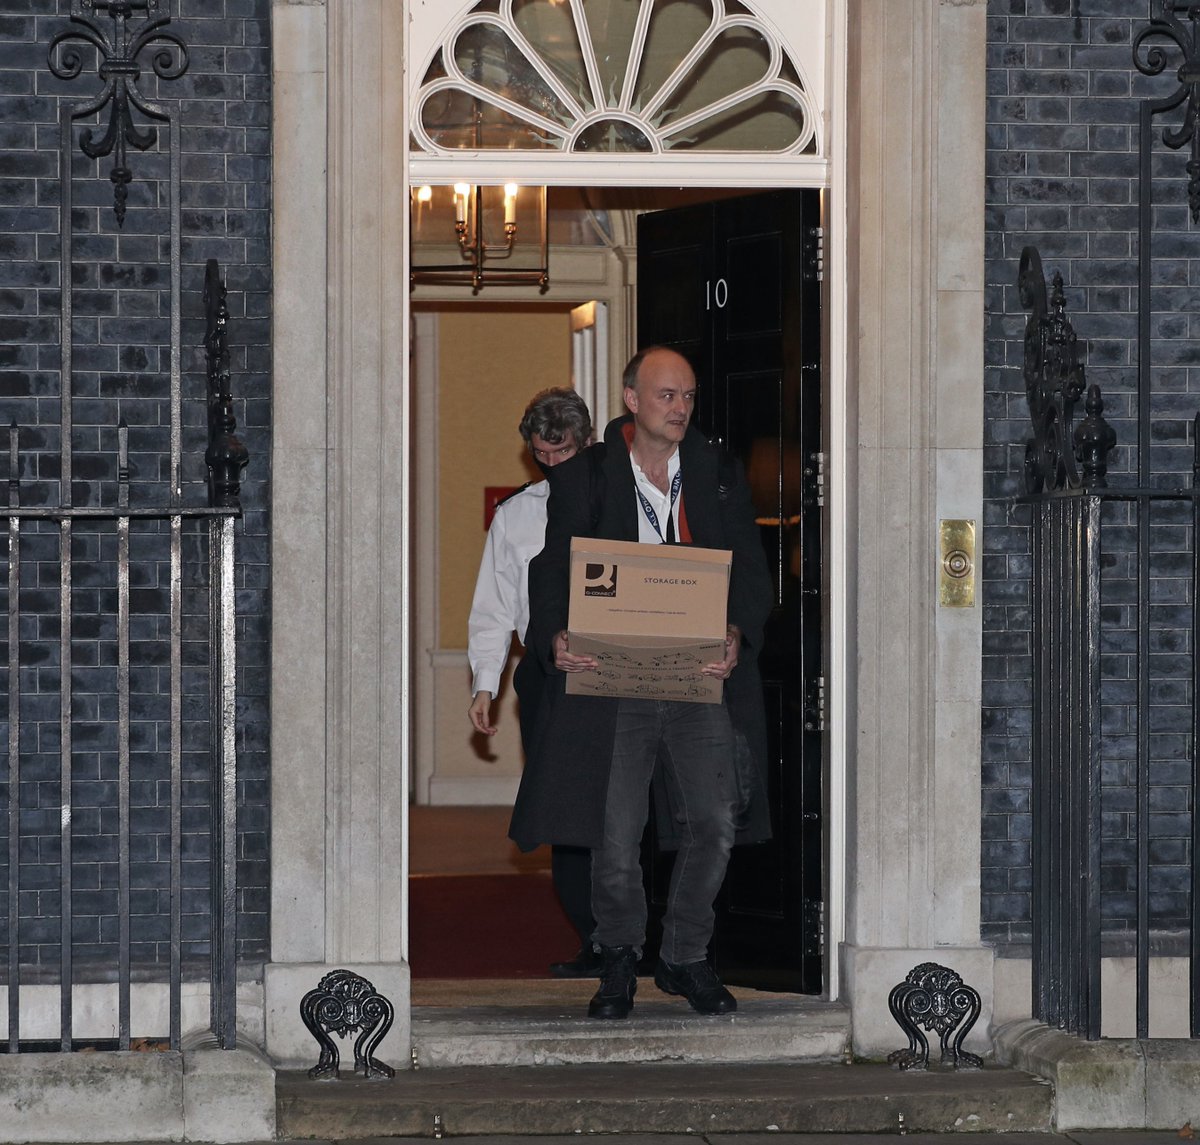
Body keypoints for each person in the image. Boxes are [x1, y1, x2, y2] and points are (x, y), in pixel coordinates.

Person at [514, 346, 774, 1020]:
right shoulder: (588, 477)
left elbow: (750, 568)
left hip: (698, 677)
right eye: (667, 395)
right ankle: (622, 956)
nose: (681, 408)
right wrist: (554, 636)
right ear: (631, 398)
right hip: (613, 681)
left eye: (688, 396)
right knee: (615, 830)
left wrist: (738, 632)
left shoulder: (715, 473)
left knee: (715, 823)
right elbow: (550, 571)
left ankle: (685, 955)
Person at [466, 386, 602, 978]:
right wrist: (484, 684)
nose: (552, 464)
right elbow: (494, 607)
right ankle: (596, 940)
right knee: (564, 812)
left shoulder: (625, 505)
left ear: (588, 442)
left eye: (564, 452)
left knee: (624, 808)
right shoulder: (516, 515)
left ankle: (639, 936)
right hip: (545, 679)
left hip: (616, 671)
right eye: (542, 455)